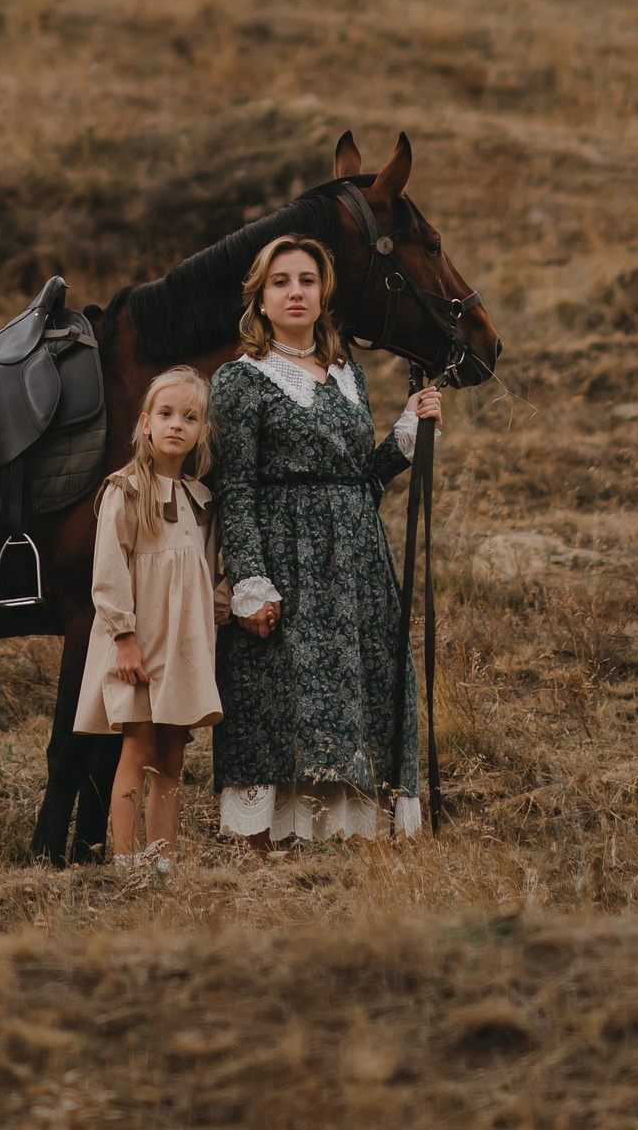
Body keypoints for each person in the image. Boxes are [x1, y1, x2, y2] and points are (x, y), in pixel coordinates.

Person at [209, 235, 441, 848]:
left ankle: (349, 827)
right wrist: (250, 580)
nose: (295, 292)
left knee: (364, 678)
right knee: (280, 688)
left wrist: (406, 434)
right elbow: (235, 486)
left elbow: (359, 479)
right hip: (286, 553)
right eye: (281, 282)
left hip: (357, 556)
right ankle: (271, 839)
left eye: (307, 280)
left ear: (323, 293)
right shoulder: (240, 380)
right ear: (259, 298)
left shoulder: (348, 375)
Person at [72, 365, 227, 866]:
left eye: (189, 417)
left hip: (183, 645)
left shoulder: (200, 501)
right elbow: (109, 570)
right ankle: (125, 857)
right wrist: (123, 636)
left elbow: (206, 574)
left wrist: (221, 612)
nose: (176, 424)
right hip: (138, 643)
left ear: (203, 431)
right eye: (166, 414)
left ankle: (162, 857)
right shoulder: (125, 490)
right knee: (137, 746)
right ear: (145, 423)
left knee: (173, 753)